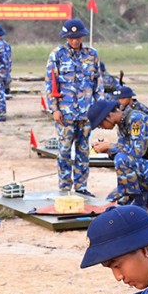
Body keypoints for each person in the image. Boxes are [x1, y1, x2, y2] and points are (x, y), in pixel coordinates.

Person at [46, 18, 102, 194]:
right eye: (71, 38)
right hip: (65, 114)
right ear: (66, 38)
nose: (74, 41)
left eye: (77, 37)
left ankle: (81, 188)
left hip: (86, 113)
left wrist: (99, 110)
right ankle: (64, 187)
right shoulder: (57, 55)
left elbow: (98, 84)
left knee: (83, 152)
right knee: (64, 152)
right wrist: (54, 109)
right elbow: (51, 84)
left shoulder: (92, 54)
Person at [89, 98, 148, 209]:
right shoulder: (122, 123)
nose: (102, 128)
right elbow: (124, 150)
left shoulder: (136, 120)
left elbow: (137, 152)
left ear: (108, 116)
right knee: (109, 200)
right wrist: (108, 150)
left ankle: (138, 201)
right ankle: (136, 195)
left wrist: (110, 146)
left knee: (121, 159)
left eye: (100, 124)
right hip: (147, 167)